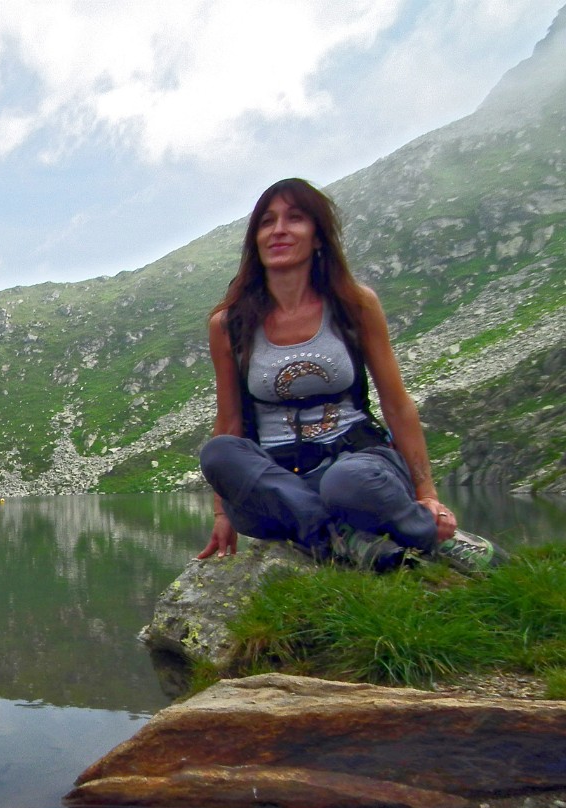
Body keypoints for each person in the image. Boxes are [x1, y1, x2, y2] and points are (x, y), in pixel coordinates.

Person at [197, 178, 502, 572]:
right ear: (255, 239)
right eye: (267, 221)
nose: (279, 230)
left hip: (358, 465)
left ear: (318, 236)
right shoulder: (229, 325)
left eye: (295, 218)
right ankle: (348, 536)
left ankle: (423, 532)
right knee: (218, 452)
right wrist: (223, 515)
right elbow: (229, 422)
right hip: (278, 484)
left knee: (344, 482)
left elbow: (395, 402)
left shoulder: (353, 305)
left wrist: (427, 492)